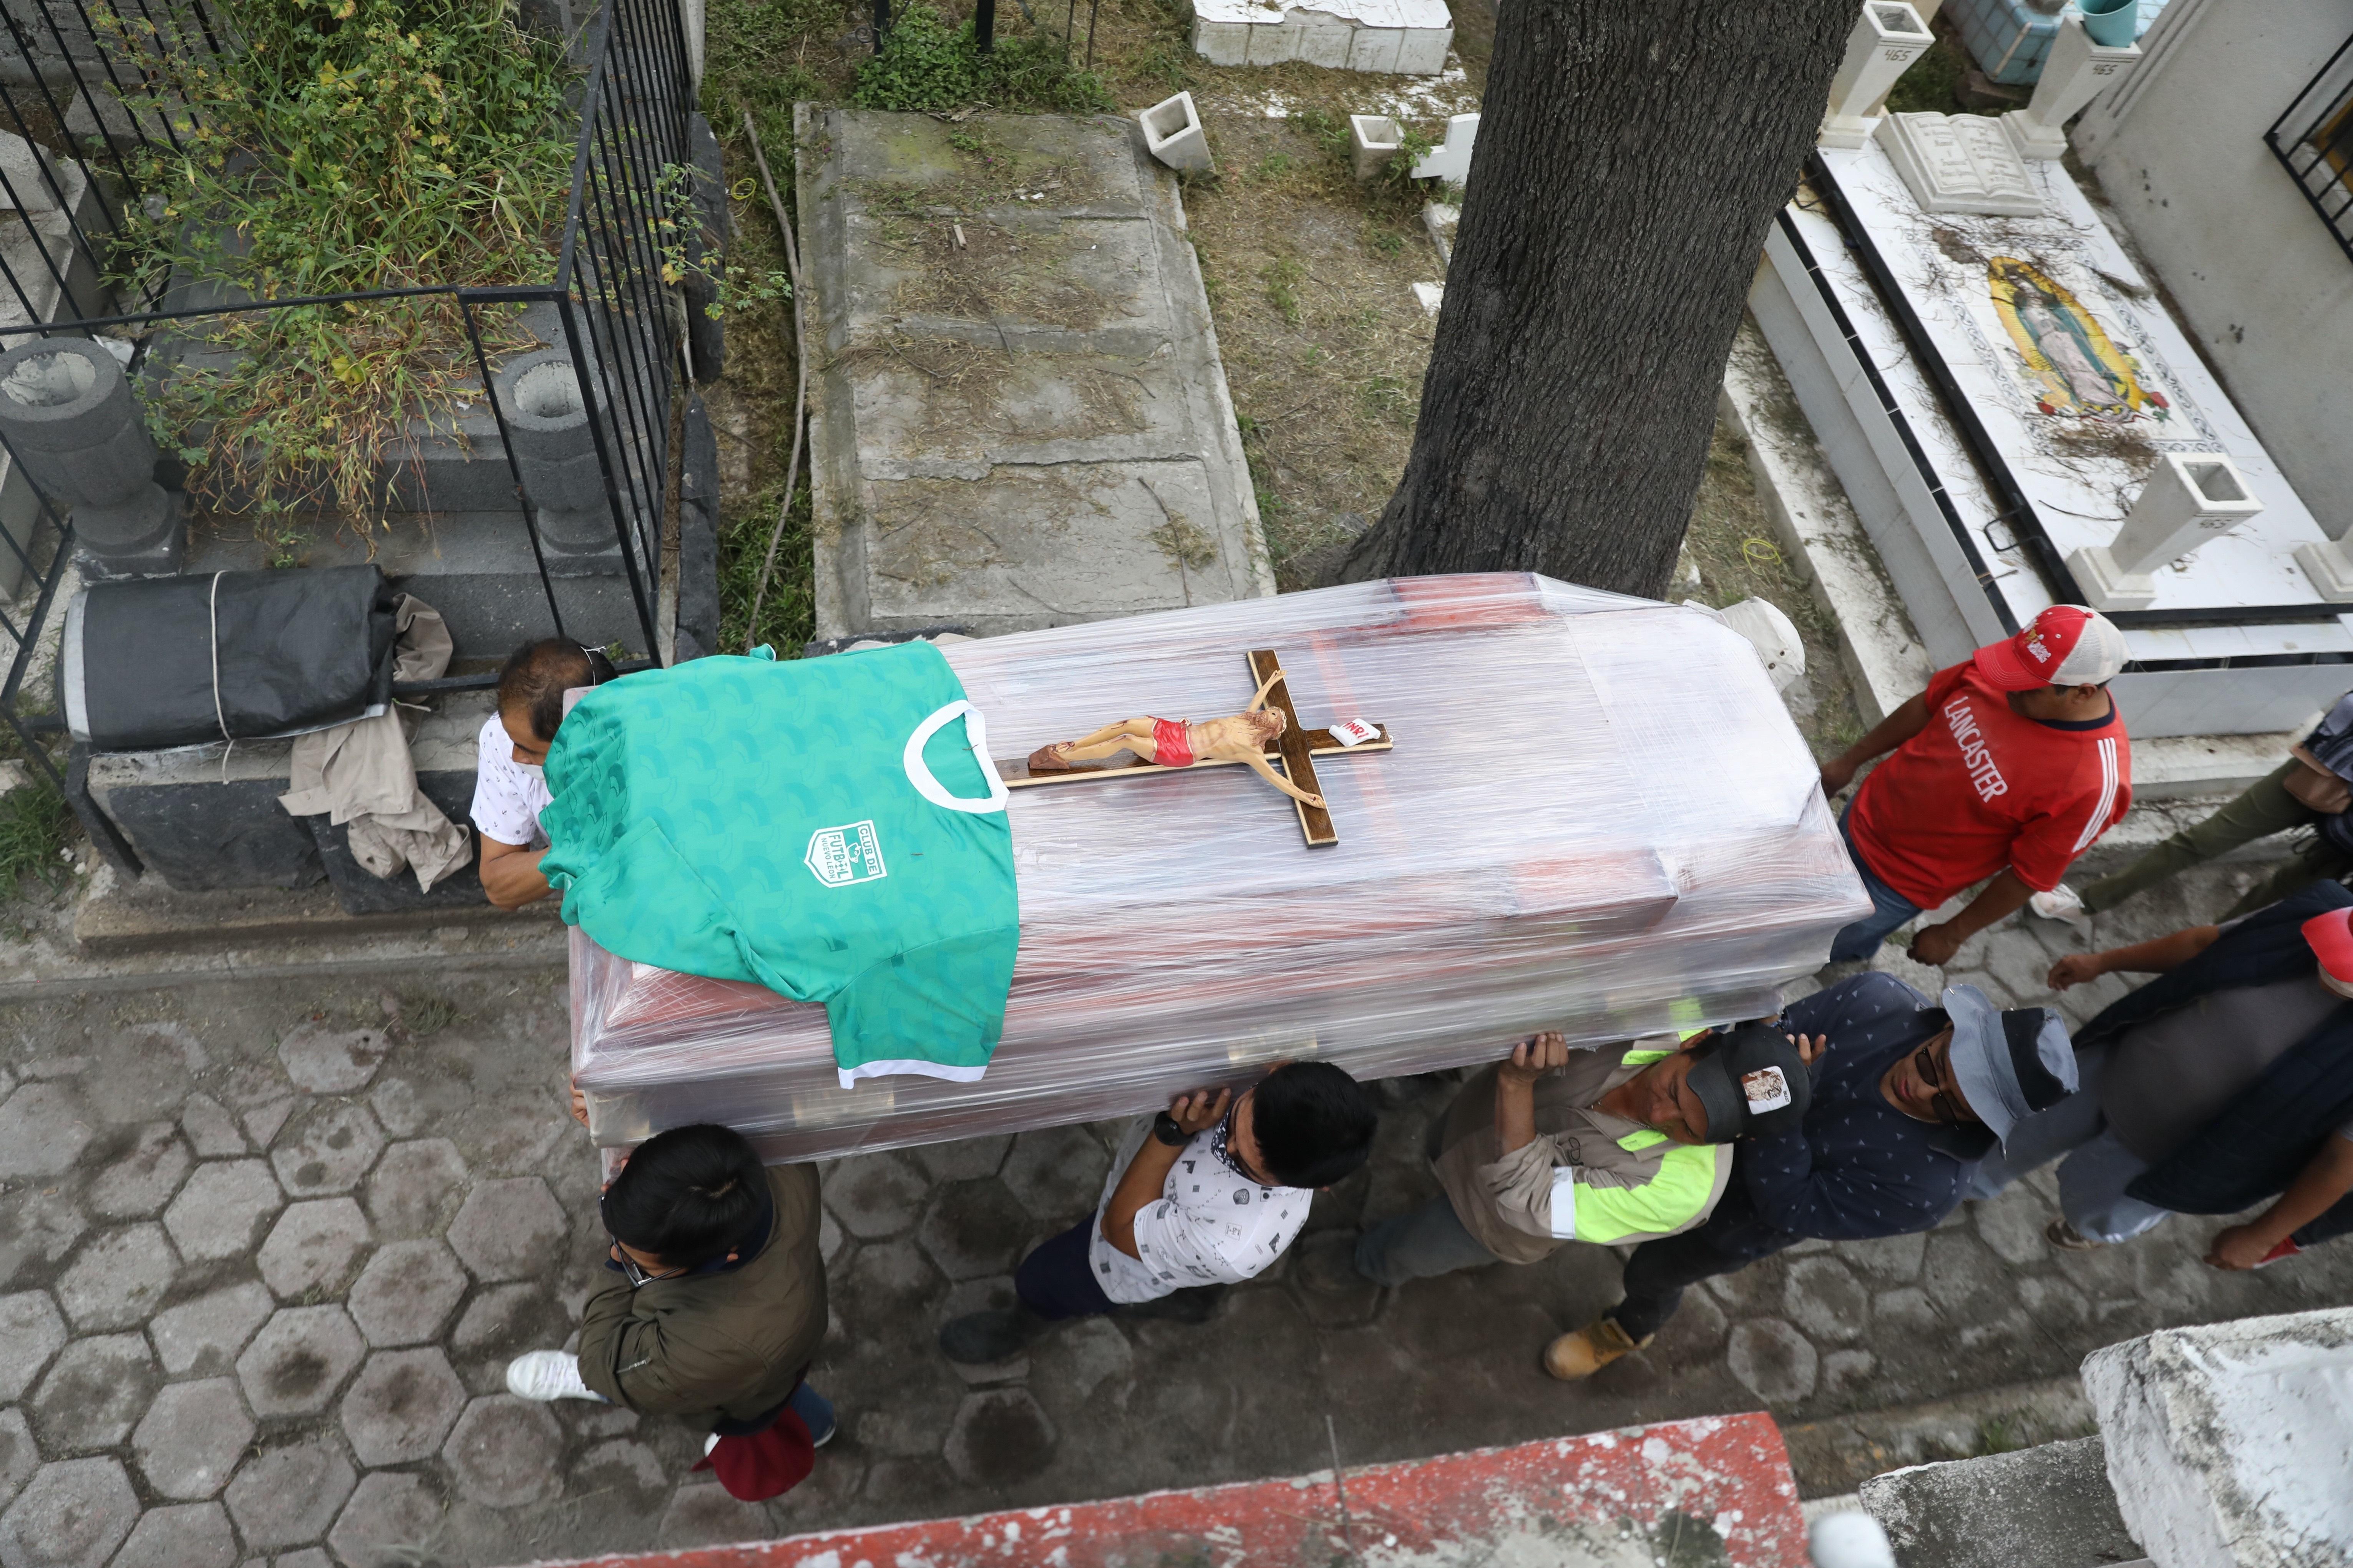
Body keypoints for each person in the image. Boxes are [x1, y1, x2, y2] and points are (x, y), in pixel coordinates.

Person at [1543, 973, 2076, 1379]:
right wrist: (1773, 1072)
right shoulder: (1874, 998)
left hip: (1735, 1216)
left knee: (1654, 1272)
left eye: (1954, 1106)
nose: (1922, 1089)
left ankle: (1629, 1328)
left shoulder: (1930, 1191)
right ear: (1945, 1027)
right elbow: (1757, 1045)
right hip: (1688, 1125)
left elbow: (1790, 1206)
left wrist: (1784, 1108)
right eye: (1936, 1066)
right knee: (1583, 1165)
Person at [1973, 880, 2353, 1260]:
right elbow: (2203, 944)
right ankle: (1962, 1184)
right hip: (2106, 1069)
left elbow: (2339, 1162)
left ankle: (2087, 1228)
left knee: (2093, 1209)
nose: (2328, 954)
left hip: (2163, 1160)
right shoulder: (2318, 909)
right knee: (2009, 1138)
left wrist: (2262, 1236)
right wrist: (2104, 961)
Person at [938, 1061, 1379, 1363]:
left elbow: (1119, 1227)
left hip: (1115, 1259)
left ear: (1315, 1186)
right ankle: (1194, 1294)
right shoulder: (1290, 1097)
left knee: (1041, 1280)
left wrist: (1172, 1133)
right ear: (1277, 1071)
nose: (1221, 1143)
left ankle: (1023, 1326)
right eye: (1235, 1123)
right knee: (1190, 1274)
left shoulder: (1229, 1245)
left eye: (1243, 1162)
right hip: (1175, 1237)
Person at [1352, 1024, 1819, 1291]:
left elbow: (1527, 1199)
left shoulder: (1682, 1193)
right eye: (1675, 1088)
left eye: (1688, 1130)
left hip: (1490, 1220)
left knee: (1405, 1250)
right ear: (1694, 1042)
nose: (1659, 1112)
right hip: (1470, 1119)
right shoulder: (1669, 1012)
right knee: (1437, 1144)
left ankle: (1359, 1263)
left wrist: (1515, 1085)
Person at [1817, 604, 2131, 966]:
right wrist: (1850, 761)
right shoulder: (2011, 670)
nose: (2007, 684)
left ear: (2081, 693)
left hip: (1895, 886)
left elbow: (2029, 875)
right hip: (1861, 813)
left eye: (2027, 687)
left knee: (1819, 947)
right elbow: (1928, 704)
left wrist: (1953, 933)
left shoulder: (2095, 786)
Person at [504, 1123, 834, 1463]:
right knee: (784, 1385)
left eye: (639, 1265)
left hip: (743, 1373)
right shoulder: (784, 1152)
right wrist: (611, 1113)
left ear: (724, 1257)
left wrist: (618, 1267)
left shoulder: (706, 1349)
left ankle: (619, 1387)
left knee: (761, 1405)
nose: (618, 1249)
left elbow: (598, 1360)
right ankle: (820, 1426)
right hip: (792, 1329)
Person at [2030, 690, 2353, 927]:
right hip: (2328, 764)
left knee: (2287, 892)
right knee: (2204, 839)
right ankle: (2087, 902)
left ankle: (2206, 952)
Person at [472, 638, 611, 910]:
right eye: (514, 742)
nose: (515, 757)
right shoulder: (501, 737)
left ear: (582, 745)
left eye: (528, 750)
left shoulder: (635, 752)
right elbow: (498, 885)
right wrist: (581, 851)